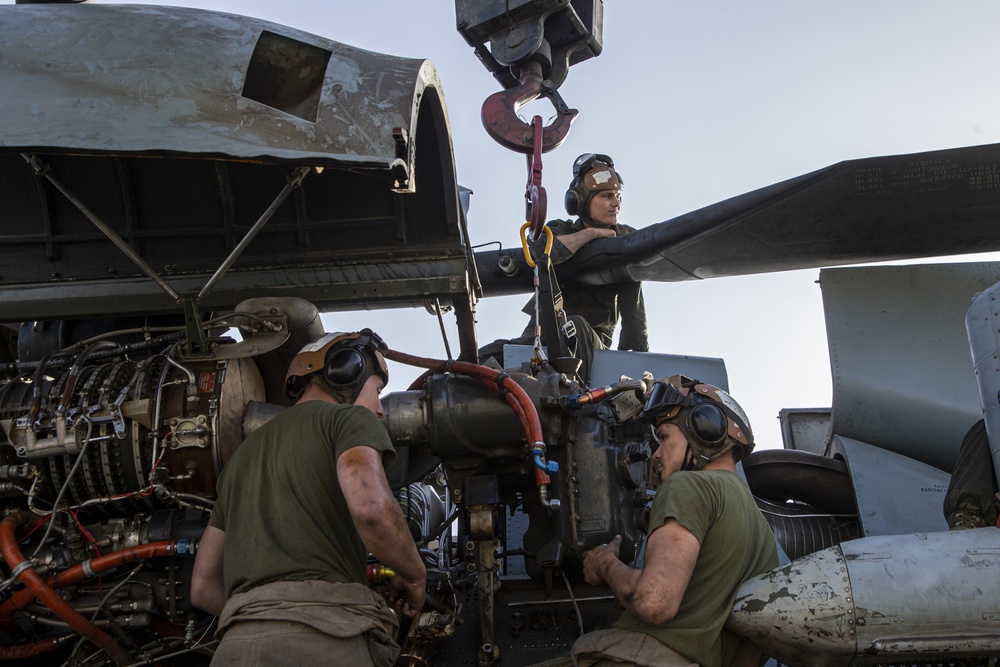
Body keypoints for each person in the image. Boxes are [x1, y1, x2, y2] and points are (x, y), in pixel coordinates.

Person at [191, 329, 426, 667]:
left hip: (235, 650)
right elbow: (370, 507)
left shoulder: (241, 457)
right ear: (347, 372)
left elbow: (202, 586)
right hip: (323, 643)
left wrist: (265, 617)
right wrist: (415, 574)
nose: (380, 410)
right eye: (376, 391)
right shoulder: (348, 419)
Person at [572, 375, 778, 667]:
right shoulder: (763, 532)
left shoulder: (688, 486)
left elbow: (653, 601)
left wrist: (604, 564)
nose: (655, 453)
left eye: (665, 437)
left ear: (705, 430)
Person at [479, 153, 648, 381]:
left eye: (618, 196)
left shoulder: (627, 239)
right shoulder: (559, 230)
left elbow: (634, 313)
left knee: (574, 326)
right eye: (607, 196)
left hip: (590, 343)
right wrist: (591, 234)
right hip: (541, 337)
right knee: (483, 357)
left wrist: (638, 363)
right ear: (581, 201)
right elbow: (539, 252)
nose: (616, 203)